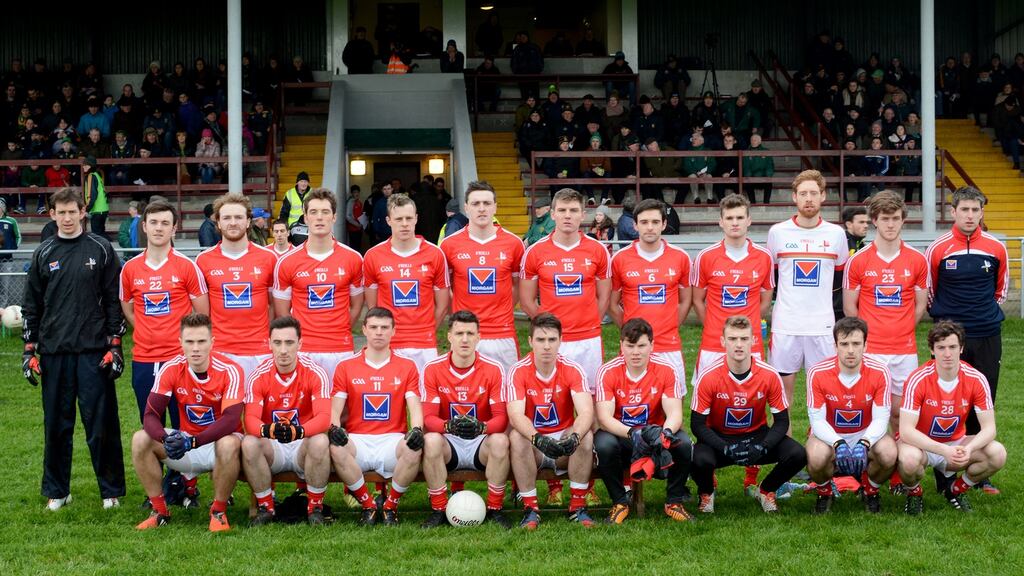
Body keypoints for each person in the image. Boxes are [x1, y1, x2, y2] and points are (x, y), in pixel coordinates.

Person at [22, 188, 126, 511]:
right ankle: (58, 490)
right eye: (60, 212)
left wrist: (116, 345)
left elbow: (113, 300)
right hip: (54, 352)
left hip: (95, 353)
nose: (67, 218)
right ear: (52, 214)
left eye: (72, 212)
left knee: (101, 424)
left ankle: (110, 491)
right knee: (56, 424)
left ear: (83, 211)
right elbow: (31, 305)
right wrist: (29, 351)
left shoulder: (102, 248)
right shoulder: (43, 253)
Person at [924, 187, 1007, 495]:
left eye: (975, 210)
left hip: (986, 333)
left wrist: (982, 314)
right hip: (950, 335)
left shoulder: (996, 247)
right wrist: (948, 325)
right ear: (954, 211)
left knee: (981, 400)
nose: (970, 215)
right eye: (965, 210)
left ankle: (976, 469)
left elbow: (1001, 290)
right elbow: (931, 290)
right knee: (944, 400)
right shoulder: (938, 248)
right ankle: (942, 469)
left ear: (981, 212)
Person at [131, 313, 244, 531]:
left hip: (220, 447)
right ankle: (160, 512)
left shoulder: (231, 369)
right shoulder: (171, 368)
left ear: (212, 342)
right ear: (180, 343)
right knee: (140, 439)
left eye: (201, 341)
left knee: (229, 442)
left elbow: (231, 420)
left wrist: (192, 442)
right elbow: (150, 415)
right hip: (186, 444)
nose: (195, 348)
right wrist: (166, 438)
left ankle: (218, 512)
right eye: (190, 342)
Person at [690, 316, 807, 514]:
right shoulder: (708, 376)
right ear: (723, 341)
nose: (738, 345)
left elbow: (781, 421)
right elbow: (697, 425)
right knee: (697, 458)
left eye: (744, 339)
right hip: (721, 439)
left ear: (753, 341)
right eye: (733, 339)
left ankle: (766, 489)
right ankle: (707, 492)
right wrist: (724, 447)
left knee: (798, 454)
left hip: (756, 437)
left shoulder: (769, 375)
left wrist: (764, 446)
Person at [898, 321, 1007, 515]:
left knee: (997, 454)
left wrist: (968, 448)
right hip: (923, 445)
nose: (947, 354)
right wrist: (942, 450)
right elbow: (906, 431)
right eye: (941, 347)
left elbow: (990, 428)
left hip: (957, 443)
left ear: (961, 348)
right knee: (908, 460)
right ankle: (914, 493)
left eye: (952, 347)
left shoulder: (976, 378)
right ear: (932, 350)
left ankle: (955, 490)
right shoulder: (918, 379)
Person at [329, 307, 424, 526]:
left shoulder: (407, 366)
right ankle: (368, 505)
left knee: (414, 447)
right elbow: (335, 409)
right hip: (358, 439)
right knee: (336, 447)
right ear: (364, 330)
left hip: (392, 439)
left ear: (393, 331)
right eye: (373, 327)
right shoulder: (346, 366)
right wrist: (334, 428)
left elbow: (415, 407)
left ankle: (390, 506)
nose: (379, 332)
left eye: (384, 327)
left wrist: (417, 429)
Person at [419, 310, 512, 529]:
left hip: (480, 442)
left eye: (470, 333)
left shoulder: (494, 369)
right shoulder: (432, 368)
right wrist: (448, 426)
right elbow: (428, 418)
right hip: (449, 442)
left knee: (500, 441)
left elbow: (501, 419)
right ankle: (439, 509)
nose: (465, 339)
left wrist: (482, 427)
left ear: (479, 337)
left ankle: (495, 508)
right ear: (449, 336)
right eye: (459, 333)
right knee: (430, 440)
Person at [766, 170, 849, 415]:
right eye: (803, 194)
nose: (809, 198)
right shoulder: (778, 233)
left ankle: (822, 449)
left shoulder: (836, 234)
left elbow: (839, 273)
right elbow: (773, 273)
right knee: (782, 401)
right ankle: (785, 450)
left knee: (827, 397)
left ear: (823, 196)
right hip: (786, 326)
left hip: (822, 327)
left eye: (814, 193)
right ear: (794, 197)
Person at [595, 318, 693, 524]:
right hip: (622, 435)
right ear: (621, 345)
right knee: (604, 444)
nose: (636, 352)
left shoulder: (667, 369)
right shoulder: (608, 371)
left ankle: (674, 502)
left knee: (683, 443)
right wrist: (633, 433)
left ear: (652, 345)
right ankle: (619, 502)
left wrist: (664, 433)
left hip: (655, 433)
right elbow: (604, 418)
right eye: (630, 346)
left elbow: (675, 412)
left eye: (641, 345)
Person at [843, 191, 927, 430]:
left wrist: (902, 331)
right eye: (885, 218)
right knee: (867, 410)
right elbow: (850, 307)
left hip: (904, 349)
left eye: (896, 218)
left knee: (901, 413)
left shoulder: (916, 260)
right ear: (874, 220)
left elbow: (920, 305)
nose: (890, 224)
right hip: (872, 350)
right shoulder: (858, 260)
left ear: (903, 220)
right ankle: (870, 463)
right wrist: (866, 340)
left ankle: (899, 465)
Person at [120, 201, 210, 423]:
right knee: (151, 425)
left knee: (186, 425)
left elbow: (202, 315)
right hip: (145, 359)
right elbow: (129, 312)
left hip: (181, 359)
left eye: (164, 223)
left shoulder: (187, 266)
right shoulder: (130, 268)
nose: (158, 228)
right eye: (153, 223)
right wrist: (148, 331)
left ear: (174, 228)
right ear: (144, 226)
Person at [507, 312, 596, 529]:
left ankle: (577, 507)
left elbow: (586, 411)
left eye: (552, 340)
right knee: (517, 437)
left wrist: (574, 437)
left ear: (560, 340)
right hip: (534, 447)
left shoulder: (572, 369)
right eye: (540, 339)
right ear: (530, 341)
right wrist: (537, 438)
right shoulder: (518, 371)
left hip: (563, 443)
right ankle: (531, 509)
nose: (546, 346)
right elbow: (516, 415)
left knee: (585, 436)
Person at [242, 316, 333, 526]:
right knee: (248, 442)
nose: (283, 350)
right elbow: (250, 420)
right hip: (274, 448)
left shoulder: (315, 373)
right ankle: (266, 507)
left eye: (289, 342)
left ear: (300, 344)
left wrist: (297, 432)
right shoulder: (258, 375)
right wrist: (270, 429)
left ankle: (315, 508)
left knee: (320, 440)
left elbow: (324, 419)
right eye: (277, 342)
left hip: (304, 446)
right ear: (269, 344)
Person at [805, 317, 898, 514]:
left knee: (889, 453)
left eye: (856, 343)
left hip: (866, 433)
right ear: (835, 346)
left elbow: (881, 418)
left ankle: (870, 489)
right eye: (844, 344)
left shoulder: (880, 372)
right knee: (816, 456)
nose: (850, 350)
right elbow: (817, 420)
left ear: (865, 344)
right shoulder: (817, 373)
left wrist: (864, 442)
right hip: (830, 434)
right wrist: (838, 443)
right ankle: (825, 492)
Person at [520, 188, 610, 387]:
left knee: (593, 400)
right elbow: (526, 301)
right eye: (562, 210)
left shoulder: (598, 250)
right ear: (553, 214)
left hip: (588, 339)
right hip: (552, 340)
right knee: (551, 399)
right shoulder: (535, 252)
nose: (567, 216)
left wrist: (591, 321)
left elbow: (604, 296)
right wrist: (547, 325)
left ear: (583, 214)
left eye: (573, 210)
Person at [273, 188, 364, 380]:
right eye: (313, 212)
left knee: (342, 408)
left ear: (334, 217)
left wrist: (339, 329)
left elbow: (357, 305)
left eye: (325, 212)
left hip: (340, 348)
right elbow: (282, 313)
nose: (319, 218)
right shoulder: (287, 261)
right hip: (304, 350)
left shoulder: (353, 259)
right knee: (303, 408)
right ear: (305, 218)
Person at [440, 181, 525, 369]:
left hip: (502, 333)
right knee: (464, 394)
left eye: (487, 203)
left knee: (506, 394)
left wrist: (503, 309)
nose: (481, 209)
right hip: (465, 333)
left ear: (495, 206)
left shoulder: (514, 243)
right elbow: (445, 288)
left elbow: (518, 284)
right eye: (476, 204)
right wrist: (457, 316)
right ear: (466, 208)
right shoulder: (449, 244)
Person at [609, 198, 691, 389]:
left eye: (655, 222)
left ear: (663, 224)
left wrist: (670, 325)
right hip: (634, 346)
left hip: (669, 346)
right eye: (644, 222)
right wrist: (632, 330)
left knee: (673, 407)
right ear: (635, 225)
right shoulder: (620, 259)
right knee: (632, 404)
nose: (650, 227)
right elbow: (612, 304)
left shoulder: (680, 257)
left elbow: (687, 301)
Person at [363, 193, 450, 372]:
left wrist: (427, 330)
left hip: (424, 344)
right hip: (389, 342)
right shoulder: (373, 256)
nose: (404, 224)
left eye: (409, 218)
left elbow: (442, 304)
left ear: (416, 219)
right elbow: (373, 307)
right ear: (388, 220)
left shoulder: (434, 254)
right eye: (399, 218)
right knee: (392, 398)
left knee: (424, 398)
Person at [196, 194, 279, 379]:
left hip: (260, 351)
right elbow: (202, 312)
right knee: (224, 408)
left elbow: (276, 305)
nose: (233, 223)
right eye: (226, 218)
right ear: (217, 222)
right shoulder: (203, 260)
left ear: (249, 221)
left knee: (258, 408)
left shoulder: (268, 258)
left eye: (239, 217)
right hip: (219, 351)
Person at [832, 206, 868, 320]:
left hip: (855, 300)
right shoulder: (840, 243)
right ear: (849, 224)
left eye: (867, 222)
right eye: (861, 222)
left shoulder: (862, 245)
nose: (866, 226)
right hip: (837, 304)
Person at [279, 171, 312, 242]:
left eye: (305, 181)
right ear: (297, 182)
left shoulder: (313, 193)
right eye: (301, 181)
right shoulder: (289, 193)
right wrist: (284, 227)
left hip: (308, 226)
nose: (304, 183)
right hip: (292, 227)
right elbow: (284, 213)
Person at [81, 156, 108, 239]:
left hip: (97, 210)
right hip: (103, 209)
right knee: (101, 234)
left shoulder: (91, 176)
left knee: (98, 237)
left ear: (90, 166)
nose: (83, 167)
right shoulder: (97, 175)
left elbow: (91, 194)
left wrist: (86, 208)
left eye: (85, 165)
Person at [743, 133, 774, 204]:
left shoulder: (766, 151)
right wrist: (749, 177)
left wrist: (768, 176)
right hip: (752, 178)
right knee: (747, 183)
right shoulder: (746, 152)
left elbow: (770, 165)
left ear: (760, 141)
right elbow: (746, 166)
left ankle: (766, 203)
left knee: (769, 183)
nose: (753, 141)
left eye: (755, 140)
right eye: (752, 140)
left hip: (763, 177)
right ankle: (753, 203)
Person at [345, 185, 364, 252]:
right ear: (352, 193)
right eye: (354, 192)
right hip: (353, 229)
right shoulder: (351, 202)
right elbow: (348, 216)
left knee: (358, 246)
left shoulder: (359, 202)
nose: (356, 194)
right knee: (354, 247)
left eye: (357, 192)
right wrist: (357, 225)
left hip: (359, 228)